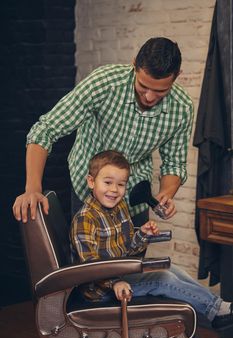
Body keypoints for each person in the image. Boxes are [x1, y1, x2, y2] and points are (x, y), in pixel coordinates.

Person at [13, 37, 192, 226]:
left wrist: (166, 194)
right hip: (87, 192)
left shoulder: (182, 108)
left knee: (132, 255)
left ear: (177, 76)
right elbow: (45, 130)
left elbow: (174, 164)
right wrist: (33, 188)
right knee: (86, 253)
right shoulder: (105, 83)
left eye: (160, 91)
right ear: (134, 65)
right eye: (143, 86)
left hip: (134, 200)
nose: (149, 97)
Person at [70, 150, 233, 330]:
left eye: (121, 184)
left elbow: (128, 247)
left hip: (120, 273)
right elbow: (90, 266)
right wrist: (114, 282)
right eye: (107, 182)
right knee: (162, 279)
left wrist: (143, 235)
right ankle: (216, 309)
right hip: (99, 290)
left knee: (167, 267)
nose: (114, 190)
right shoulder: (85, 219)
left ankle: (217, 309)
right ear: (91, 181)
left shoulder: (120, 206)